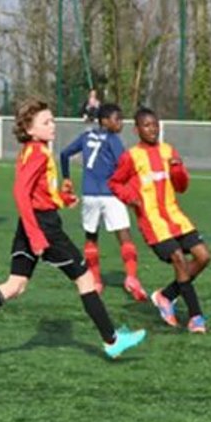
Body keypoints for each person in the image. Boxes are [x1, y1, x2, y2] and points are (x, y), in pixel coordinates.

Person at [0, 99, 146, 363]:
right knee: (85, 279)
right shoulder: (38, 152)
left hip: (33, 222)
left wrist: (63, 199)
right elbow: (21, 193)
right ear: (29, 129)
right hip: (43, 227)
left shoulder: (31, 150)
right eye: (46, 122)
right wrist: (36, 235)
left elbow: (39, 194)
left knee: (15, 285)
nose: (53, 125)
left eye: (52, 120)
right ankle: (112, 341)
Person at [109, 107, 211, 333]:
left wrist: (178, 170)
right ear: (137, 130)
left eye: (155, 125)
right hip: (153, 222)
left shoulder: (168, 151)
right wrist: (130, 197)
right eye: (146, 125)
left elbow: (181, 187)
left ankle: (166, 296)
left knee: (204, 257)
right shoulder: (131, 156)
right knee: (179, 259)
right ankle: (196, 316)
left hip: (176, 217)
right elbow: (115, 183)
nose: (152, 129)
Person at [60, 102, 148, 301]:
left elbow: (64, 154)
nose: (121, 123)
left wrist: (66, 177)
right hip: (110, 194)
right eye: (117, 119)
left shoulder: (86, 136)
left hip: (90, 195)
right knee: (124, 236)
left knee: (91, 237)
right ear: (105, 121)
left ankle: (96, 281)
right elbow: (124, 164)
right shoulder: (113, 139)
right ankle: (131, 278)